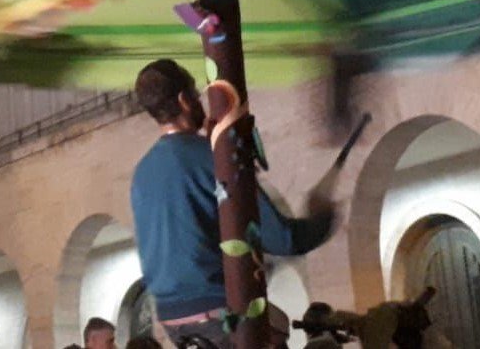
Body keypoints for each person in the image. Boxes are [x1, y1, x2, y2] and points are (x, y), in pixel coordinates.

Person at [128, 59, 335, 349]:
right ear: (184, 100)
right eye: (196, 94)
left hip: (172, 319)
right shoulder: (214, 158)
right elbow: (282, 239)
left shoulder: (141, 173)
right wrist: (323, 217)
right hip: (217, 310)